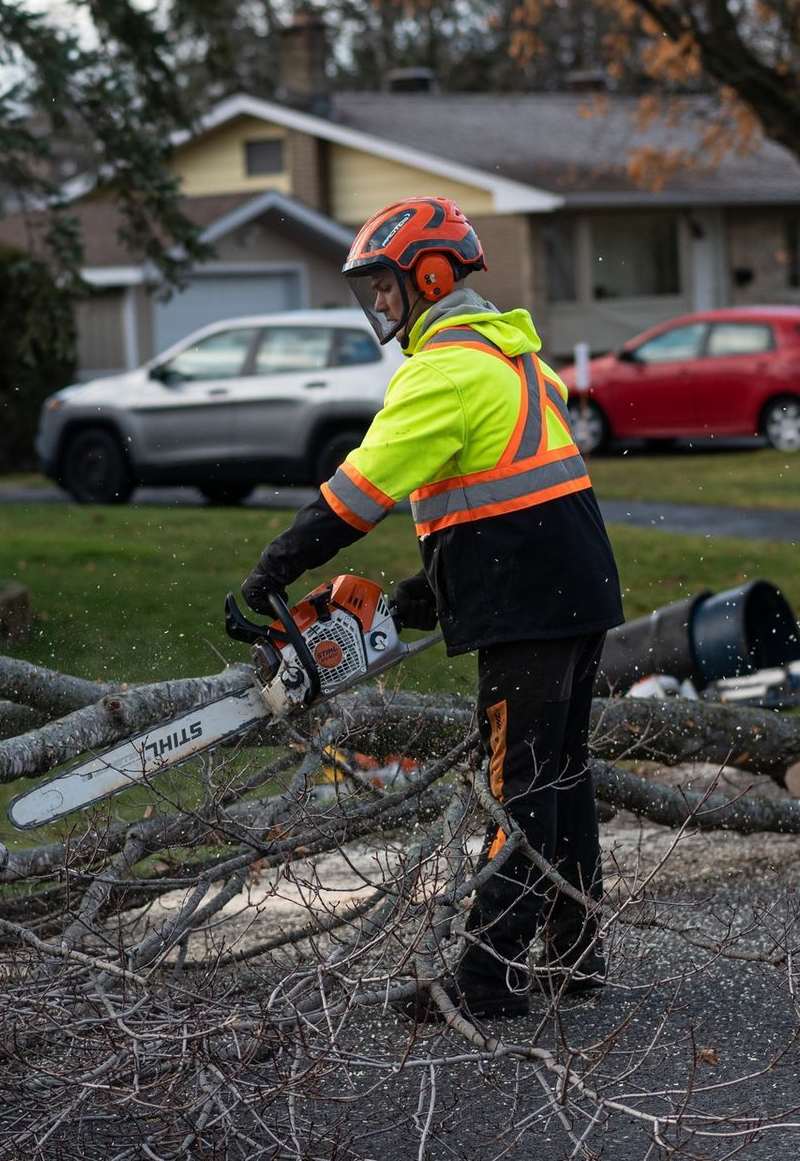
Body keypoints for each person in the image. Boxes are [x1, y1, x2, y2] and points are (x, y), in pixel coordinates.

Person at [240, 196, 624, 1020]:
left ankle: (488, 977)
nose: (379, 303)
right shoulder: (513, 357)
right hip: (572, 585)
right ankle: (578, 953)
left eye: (384, 285)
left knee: (514, 786)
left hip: (528, 598)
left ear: (432, 275)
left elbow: (357, 493)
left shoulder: (443, 369)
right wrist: (432, 592)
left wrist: (272, 569)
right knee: (561, 775)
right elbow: (502, 495)